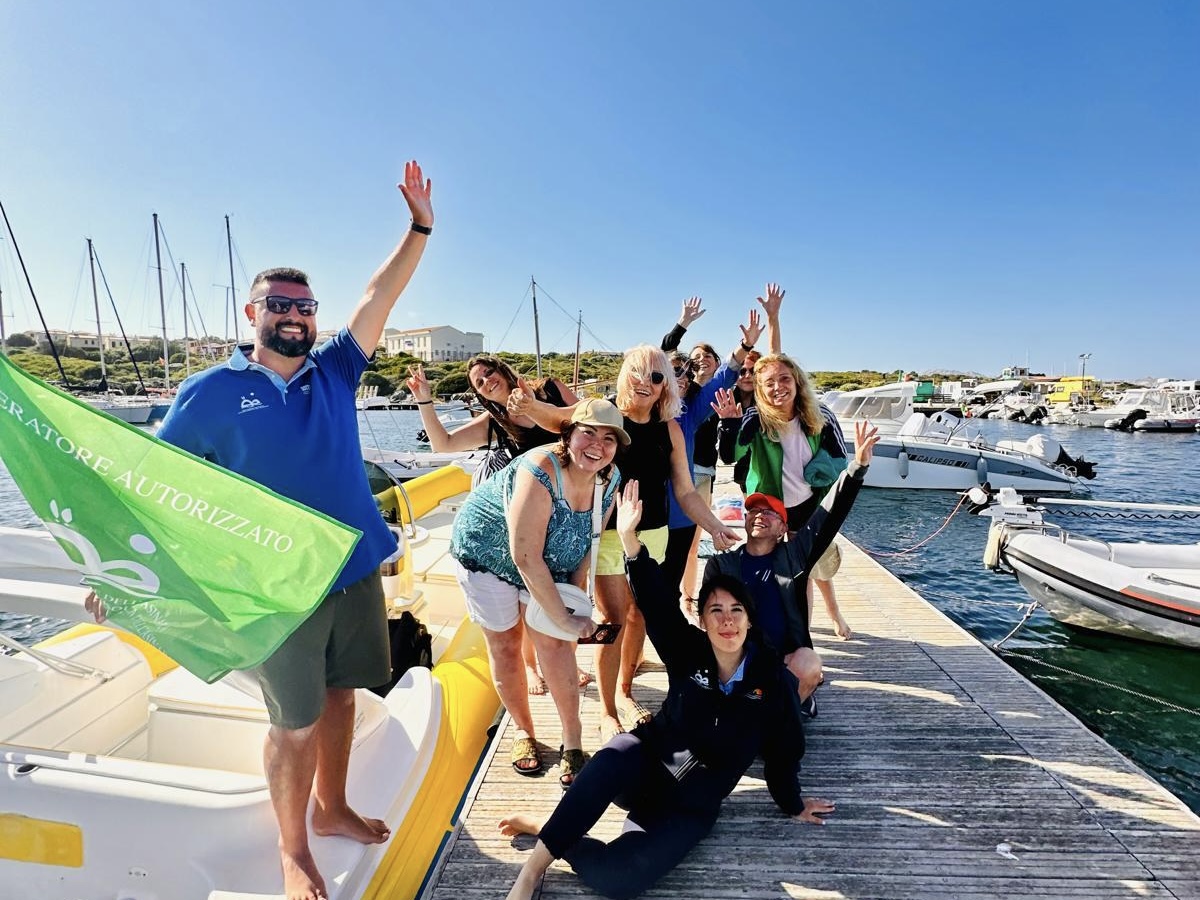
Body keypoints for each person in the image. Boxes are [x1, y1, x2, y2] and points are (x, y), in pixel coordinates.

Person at [81, 161, 434, 900]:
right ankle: (292, 847)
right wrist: (116, 569)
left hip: (351, 567)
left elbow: (379, 296)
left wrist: (418, 229)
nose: (295, 316)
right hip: (274, 586)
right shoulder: (209, 393)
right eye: (279, 305)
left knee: (343, 696)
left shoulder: (335, 370)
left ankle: (332, 807)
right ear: (253, 314)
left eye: (304, 306)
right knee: (294, 723)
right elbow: (156, 489)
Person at [499, 480, 832, 900]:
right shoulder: (687, 650)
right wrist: (629, 541)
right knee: (612, 756)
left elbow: (785, 750)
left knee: (620, 880)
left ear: (750, 620)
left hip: (691, 805)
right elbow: (658, 605)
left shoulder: (771, 679)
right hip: (644, 768)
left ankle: (547, 829)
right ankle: (532, 871)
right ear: (702, 620)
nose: (727, 620)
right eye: (715, 610)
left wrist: (793, 803)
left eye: (736, 610)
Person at [449, 399, 626, 787]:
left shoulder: (610, 478)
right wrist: (563, 618)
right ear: (568, 434)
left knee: (556, 646)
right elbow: (525, 556)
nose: (597, 446)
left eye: (609, 439)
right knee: (505, 645)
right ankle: (523, 731)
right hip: (487, 554)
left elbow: (589, 542)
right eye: (588, 433)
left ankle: (572, 740)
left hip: (550, 559)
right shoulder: (541, 468)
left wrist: (573, 601)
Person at [407, 356, 588, 693]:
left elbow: (586, 416)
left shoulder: (549, 388)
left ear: (502, 370)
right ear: (480, 394)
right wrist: (424, 400)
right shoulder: (495, 421)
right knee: (530, 595)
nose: (487, 381)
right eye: (479, 383)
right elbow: (443, 444)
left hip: (572, 507)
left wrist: (535, 407)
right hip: (534, 516)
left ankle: (568, 659)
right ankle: (530, 666)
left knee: (570, 592)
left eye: (489, 372)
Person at [592, 345, 741, 743]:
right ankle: (606, 711)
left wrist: (714, 526)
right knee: (612, 619)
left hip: (654, 533)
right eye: (638, 373)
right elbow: (559, 425)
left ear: (665, 387)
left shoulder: (670, 428)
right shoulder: (606, 416)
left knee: (641, 614)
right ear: (625, 375)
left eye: (657, 377)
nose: (646, 382)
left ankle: (625, 691)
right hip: (610, 532)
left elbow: (686, 491)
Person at [705, 420, 877, 715]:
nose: (760, 515)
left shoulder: (795, 556)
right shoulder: (721, 564)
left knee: (809, 663)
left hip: (784, 660)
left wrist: (857, 468)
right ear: (745, 520)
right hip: (738, 659)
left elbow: (829, 513)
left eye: (770, 513)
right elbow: (708, 622)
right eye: (754, 510)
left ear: (784, 527)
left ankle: (788, 705)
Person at [659, 300, 759, 613]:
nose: (681, 377)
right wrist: (682, 323)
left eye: (686, 372)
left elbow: (725, 376)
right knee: (638, 597)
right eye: (673, 372)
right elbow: (660, 354)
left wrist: (746, 346)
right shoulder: (640, 412)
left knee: (667, 591)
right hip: (644, 518)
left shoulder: (690, 411)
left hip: (680, 515)